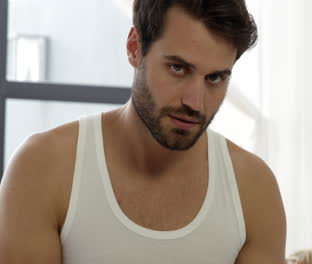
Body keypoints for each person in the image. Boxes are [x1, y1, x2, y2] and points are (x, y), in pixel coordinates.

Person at [0, 0, 286, 263]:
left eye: (214, 78)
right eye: (178, 68)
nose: (195, 103)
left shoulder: (253, 189)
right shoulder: (43, 166)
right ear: (135, 48)